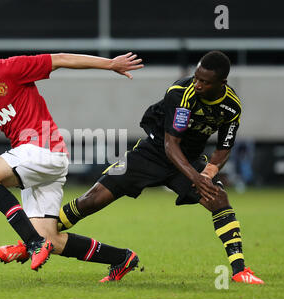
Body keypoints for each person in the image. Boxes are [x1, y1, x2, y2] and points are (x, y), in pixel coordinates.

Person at [0, 22, 144, 280]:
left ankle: (31, 242)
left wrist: (110, 64)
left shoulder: (11, 68)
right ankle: (121, 258)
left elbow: (60, 59)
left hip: (43, 148)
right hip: (37, 161)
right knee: (51, 238)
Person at [55, 51, 264, 284]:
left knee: (219, 198)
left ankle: (239, 271)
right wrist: (196, 178)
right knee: (91, 199)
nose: (197, 84)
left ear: (222, 83)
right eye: (196, 78)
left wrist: (209, 173)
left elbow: (225, 146)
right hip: (152, 152)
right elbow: (170, 145)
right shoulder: (181, 94)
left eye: (204, 82)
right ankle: (38, 239)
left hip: (189, 160)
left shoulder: (231, 107)